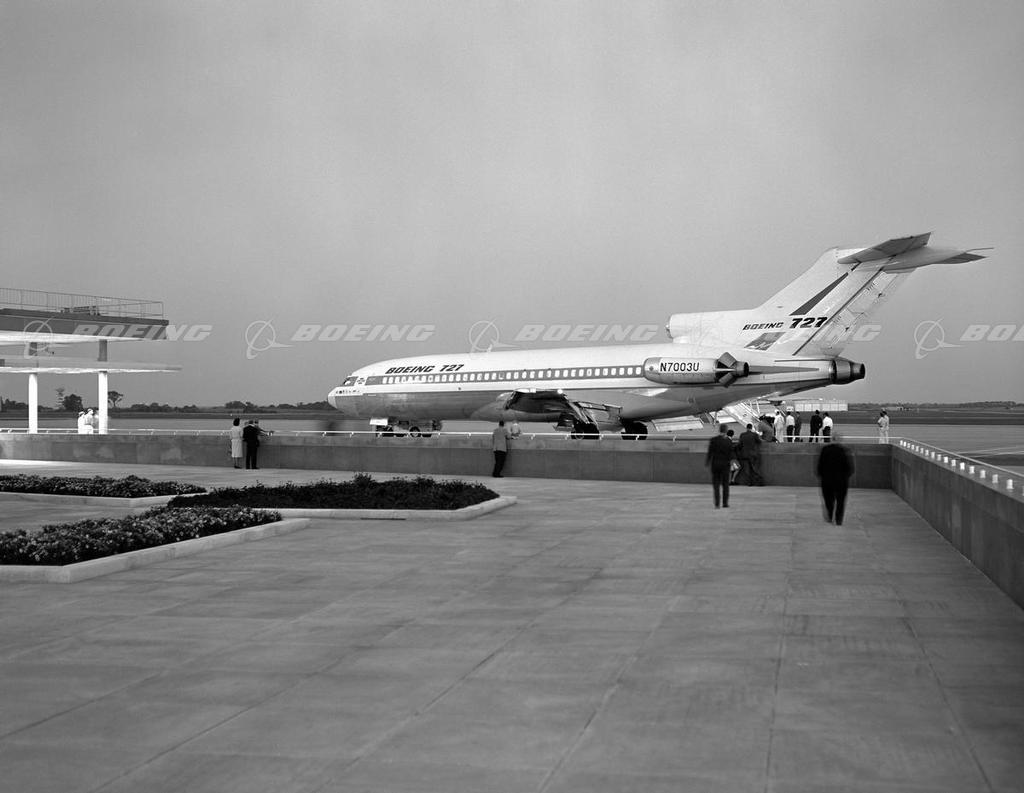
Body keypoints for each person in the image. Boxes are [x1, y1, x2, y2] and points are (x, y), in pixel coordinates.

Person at [816, 432, 854, 525]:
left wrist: (821, 476)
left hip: (827, 480)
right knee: (841, 501)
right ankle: (838, 519)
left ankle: (830, 515)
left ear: (832, 439)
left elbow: (820, 465)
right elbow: (850, 468)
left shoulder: (825, 450)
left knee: (828, 499)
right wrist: (846, 476)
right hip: (841, 480)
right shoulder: (845, 450)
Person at [705, 423, 735, 508]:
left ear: (719, 430)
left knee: (716, 485)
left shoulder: (713, 440)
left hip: (715, 465)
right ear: (726, 431)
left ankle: (717, 503)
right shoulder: (729, 441)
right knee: (725, 485)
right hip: (725, 465)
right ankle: (725, 503)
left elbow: (710, 452)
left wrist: (707, 462)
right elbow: (731, 454)